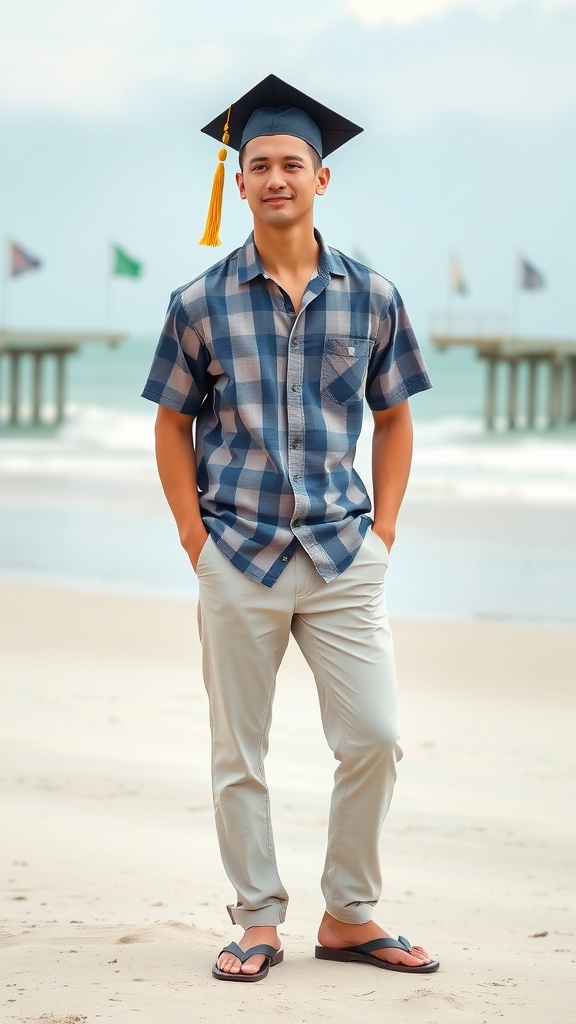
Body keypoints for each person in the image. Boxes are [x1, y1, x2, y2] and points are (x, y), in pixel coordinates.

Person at [142, 74, 439, 981]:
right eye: (260, 165)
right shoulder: (200, 301)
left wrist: (383, 530)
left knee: (376, 736)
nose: (277, 178)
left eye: (292, 165)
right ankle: (258, 920)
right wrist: (197, 541)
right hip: (240, 552)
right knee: (242, 751)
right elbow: (170, 422)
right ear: (240, 182)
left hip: (345, 552)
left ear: (321, 179)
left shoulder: (373, 296)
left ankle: (349, 913)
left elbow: (393, 418)